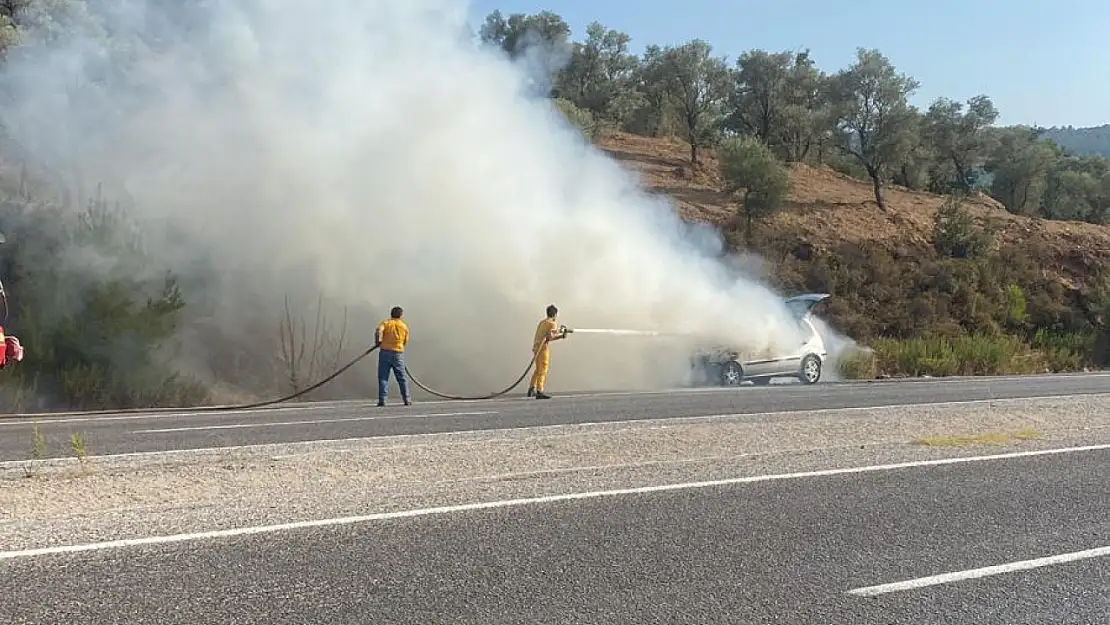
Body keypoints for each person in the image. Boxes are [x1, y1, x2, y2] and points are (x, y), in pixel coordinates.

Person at [527, 304, 568, 399]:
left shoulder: (542, 322)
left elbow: (546, 335)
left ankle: (531, 388)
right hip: (542, 348)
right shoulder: (552, 323)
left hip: (536, 347)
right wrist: (561, 336)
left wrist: (558, 332)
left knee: (538, 369)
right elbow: (549, 338)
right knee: (543, 369)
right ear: (555, 314)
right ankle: (539, 390)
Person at [375, 306, 411, 407]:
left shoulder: (386, 323)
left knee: (383, 377)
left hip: (385, 352)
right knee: (402, 377)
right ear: (401, 315)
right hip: (398, 353)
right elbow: (405, 341)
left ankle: (383, 400)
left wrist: (378, 342)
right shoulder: (404, 326)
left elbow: (378, 331)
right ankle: (406, 399)